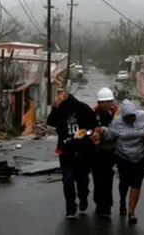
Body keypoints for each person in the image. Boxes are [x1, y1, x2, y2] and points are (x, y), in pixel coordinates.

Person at [97, 99, 144, 224]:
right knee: (124, 182)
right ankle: (122, 201)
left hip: (141, 156)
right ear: (123, 116)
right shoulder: (117, 123)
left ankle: (132, 211)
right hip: (123, 157)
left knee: (136, 183)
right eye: (128, 117)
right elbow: (110, 135)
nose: (131, 119)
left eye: (132, 116)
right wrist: (103, 130)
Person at [46, 86, 98, 219]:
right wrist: (56, 107)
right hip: (65, 150)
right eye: (58, 94)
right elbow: (50, 122)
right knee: (67, 179)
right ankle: (70, 207)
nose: (60, 96)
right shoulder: (60, 109)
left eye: (62, 93)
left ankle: (83, 197)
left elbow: (93, 126)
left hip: (82, 151)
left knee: (82, 180)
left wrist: (87, 135)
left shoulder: (82, 108)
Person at [91, 87, 119, 218]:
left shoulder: (117, 114)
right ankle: (99, 203)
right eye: (104, 102)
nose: (107, 104)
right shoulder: (93, 114)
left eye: (109, 101)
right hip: (96, 152)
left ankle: (107, 205)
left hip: (111, 152)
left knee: (108, 178)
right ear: (99, 103)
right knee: (97, 178)